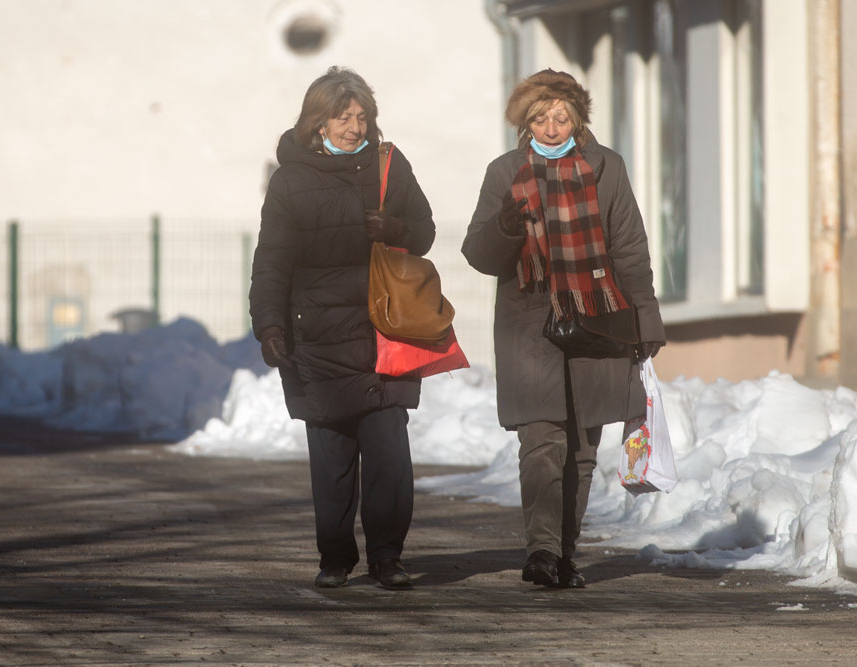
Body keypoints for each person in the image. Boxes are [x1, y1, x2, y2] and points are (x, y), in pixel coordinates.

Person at [462, 70, 665, 588]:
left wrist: (645, 319)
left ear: (577, 118)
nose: (551, 129)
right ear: (524, 123)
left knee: (582, 448)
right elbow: (478, 254)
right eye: (539, 118)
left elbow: (629, 247)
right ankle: (542, 552)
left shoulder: (607, 167)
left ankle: (565, 552)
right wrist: (505, 228)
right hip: (528, 320)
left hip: (598, 314)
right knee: (540, 439)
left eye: (560, 117)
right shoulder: (504, 172)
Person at [249, 66, 435, 590]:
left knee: (389, 454)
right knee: (331, 459)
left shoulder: (389, 165)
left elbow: (424, 232)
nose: (355, 127)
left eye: (362, 117)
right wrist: (269, 326)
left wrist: (396, 228)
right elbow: (271, 263)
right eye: (343, 117)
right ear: (318, 122)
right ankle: (334, 558)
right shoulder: (290, 181)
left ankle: (387, 557)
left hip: (384, 330)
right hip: (318, 337)